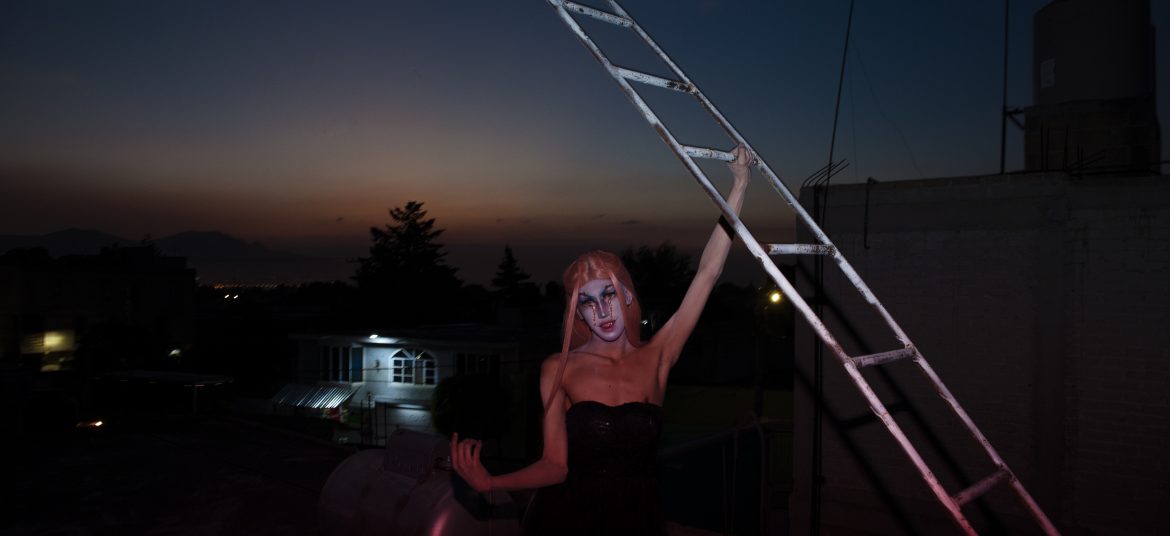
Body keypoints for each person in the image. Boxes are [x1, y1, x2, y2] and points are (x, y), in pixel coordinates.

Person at [452, 144, 755, 535]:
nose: (601, 310)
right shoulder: (558, 368)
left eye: (609, 294)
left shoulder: (659, 355)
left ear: (626, 295)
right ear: (577, 313)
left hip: (638, 521)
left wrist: (739, 184)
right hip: (566, 522)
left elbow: (708, 273)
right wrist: (492, 482)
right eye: (588, 301)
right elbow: (555, 465)